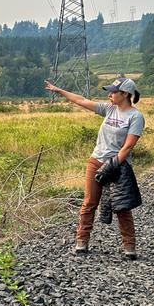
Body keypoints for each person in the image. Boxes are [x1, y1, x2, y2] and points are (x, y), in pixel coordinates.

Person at [44, 77, 145, 259]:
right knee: (89, 203)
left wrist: (111, 166)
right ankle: (82, 241)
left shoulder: (135, 116)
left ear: (125, 94)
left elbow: (128, 146)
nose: (110, 95)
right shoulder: (108, 109)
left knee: (121, 206)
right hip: (96, 161)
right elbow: (81, 100)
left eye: (113, 92)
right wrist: (59, 90)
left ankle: (129, 247)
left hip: (118, 167)